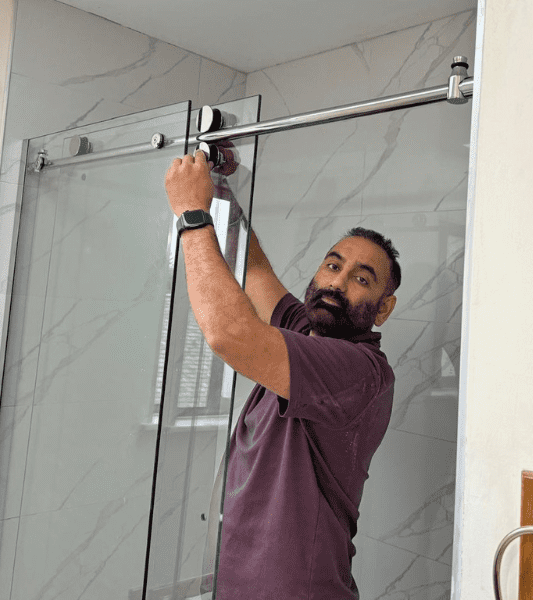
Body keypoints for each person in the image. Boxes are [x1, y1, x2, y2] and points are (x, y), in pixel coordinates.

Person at [165, 149, 402, 599]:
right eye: (333, 265)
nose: (337, 283)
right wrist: (221, 188)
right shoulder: (301, 327)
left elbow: (230, 334)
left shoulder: (360, 372)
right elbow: (253, 267)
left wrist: (192, 214)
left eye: (361, 279)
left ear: (383, 309)